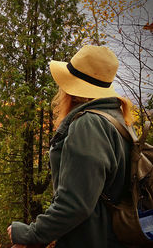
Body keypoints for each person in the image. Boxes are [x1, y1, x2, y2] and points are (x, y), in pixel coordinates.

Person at [7, 45, 134, 248]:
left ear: (73, 92)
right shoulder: (119, 119)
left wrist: (30, 234)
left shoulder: (89, 125)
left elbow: (75, 204)